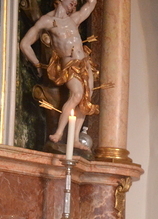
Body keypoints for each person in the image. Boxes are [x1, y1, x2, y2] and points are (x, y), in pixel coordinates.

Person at [20, 0, 98, 145]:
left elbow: (91, 3)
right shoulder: (47, 21)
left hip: (84, 62)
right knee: (77, 95)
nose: (74, 2)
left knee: (85, 99)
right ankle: (59, 132)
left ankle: (75, 139)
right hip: (68, 63)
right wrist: (37, 64)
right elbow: (25, 44)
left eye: (76, 1)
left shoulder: (74, 19)